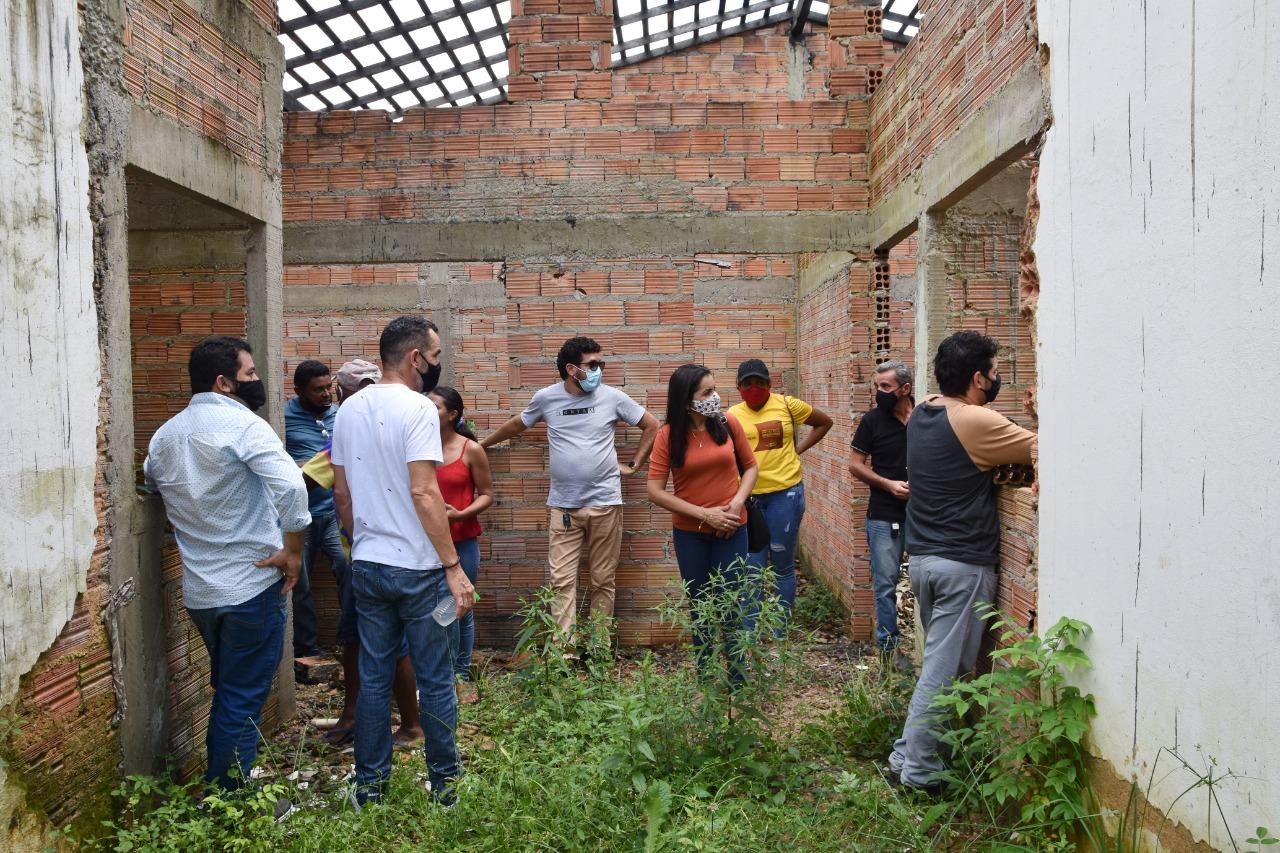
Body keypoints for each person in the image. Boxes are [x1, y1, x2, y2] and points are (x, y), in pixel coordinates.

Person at [143, 336, 310, 789]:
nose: (257, 381)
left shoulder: (165, 436)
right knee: (242, 696)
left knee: (231, 692)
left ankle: (233, 785)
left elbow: (151, 483)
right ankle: (228, 799)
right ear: (224, 382)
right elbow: (294, 489)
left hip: (202, 594)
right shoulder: (244, 427)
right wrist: (293, 551)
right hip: (251, 587)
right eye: (251, 374)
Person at [332, 316, 476, 808]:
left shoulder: (349, 410)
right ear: (416, 357)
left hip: (368, 566)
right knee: (435, 679)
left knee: (373, 679)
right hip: (420, 572)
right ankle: (445, 788)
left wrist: (363, 544)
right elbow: (423, 490)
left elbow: (343, 495)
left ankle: (369, 788)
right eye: (435, 357)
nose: (437, 365)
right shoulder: (417, 409)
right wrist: (453, 566)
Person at [885, 332, 1036, 795]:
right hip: (961, 565)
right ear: (976, 378)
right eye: (993, 372)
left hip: (926, 561)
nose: (997, 379)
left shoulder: (923, 413)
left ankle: (903, 754)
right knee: (944, 672)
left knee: (938, 663)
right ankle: (919, 772)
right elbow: (1044, 447)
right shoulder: (974, 420)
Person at [481, 336, 659, 638]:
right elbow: (518, 424)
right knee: (561, 581)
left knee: (603, 580)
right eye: (592, 365)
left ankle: (600, 649)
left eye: (600, 364)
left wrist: (635, 465)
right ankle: (565, 651)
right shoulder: (546, 398)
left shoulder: (612, 397)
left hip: (605, 503)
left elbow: (652, 424)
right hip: (563, 507)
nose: (598, 370)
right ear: (571, 369)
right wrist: (481, 445)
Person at [299, 359, 424, 749]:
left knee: (386, 642)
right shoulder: (397, 428)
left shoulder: (347, 438)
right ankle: (358, 716)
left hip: (370, 556)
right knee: (357, 638)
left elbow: (317, 485)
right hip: (392, 553)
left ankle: (408, 724)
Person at [647, 364, 758, 675]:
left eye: (715, 389)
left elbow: (750, 468)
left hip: (733, 529)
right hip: (691, 533)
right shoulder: (667, 436)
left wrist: (736, 505)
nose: (715, 397)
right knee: (701, 606)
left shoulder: (728, 423)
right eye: (707, 392)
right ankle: (707, 677)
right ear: (686, 401)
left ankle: (738, 679)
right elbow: (655, 491)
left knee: (732, 603)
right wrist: (705, 515)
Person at [727, 358, 832, 634]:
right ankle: (750, 632)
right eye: (747, 383)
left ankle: (780, 631)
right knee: (752, 569)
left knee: (782, 565)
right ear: (738, 387)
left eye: (759, 382)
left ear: (769, 384)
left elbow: (824, 423)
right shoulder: (730, 416)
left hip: (785, 495)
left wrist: (798, 450)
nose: (754, 388)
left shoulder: (787, 405)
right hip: (749, 500)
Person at [427, 386, 493, 699]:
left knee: (461, 606)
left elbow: (488, 495)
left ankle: (460, 674)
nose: (427, 411)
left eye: (435, 407)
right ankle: (439, 674)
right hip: (424, 544)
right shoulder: (416, 446)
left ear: (452, 415)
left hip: (462, 541)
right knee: (432, 609)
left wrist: (460, 514)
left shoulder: (470, 450)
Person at [848, 360, 914, 662]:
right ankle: (889, 651)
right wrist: (888, 485)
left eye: (885, 387)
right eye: (877, 387)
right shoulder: (872, 421)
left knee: (927, 582)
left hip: (924, 515)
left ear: (906, 389)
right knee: (885, 585)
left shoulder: (925, 419)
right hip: (884, 516)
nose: (879, 393)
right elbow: (855, 465)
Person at [284, 359, 340, 665]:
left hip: (333, 512)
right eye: (317, 390)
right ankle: (307, 650)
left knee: (348, 569)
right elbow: (278, 466)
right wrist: (306, 468)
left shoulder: (340, 415)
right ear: (299, 391)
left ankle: (352, 639)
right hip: (297, 516)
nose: (326, 394)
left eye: (328, 386)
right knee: (299, 584)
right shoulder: (283, 418)